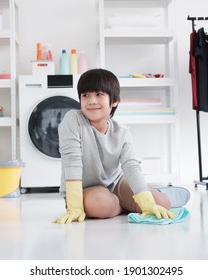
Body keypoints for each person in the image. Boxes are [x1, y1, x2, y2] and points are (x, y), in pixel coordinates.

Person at [54, 69, 177, 224]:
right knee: (102, 205)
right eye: (85, 95)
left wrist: (148, 203)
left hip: (116, 184)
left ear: (114, 101)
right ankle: (124, 205)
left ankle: (123, 202)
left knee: (162, 203)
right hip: (84, 190)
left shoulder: (122, 131)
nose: (91, 100)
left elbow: (131, 165)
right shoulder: (73, 120)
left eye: (99, 94)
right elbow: (71, 161)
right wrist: (75, 207)